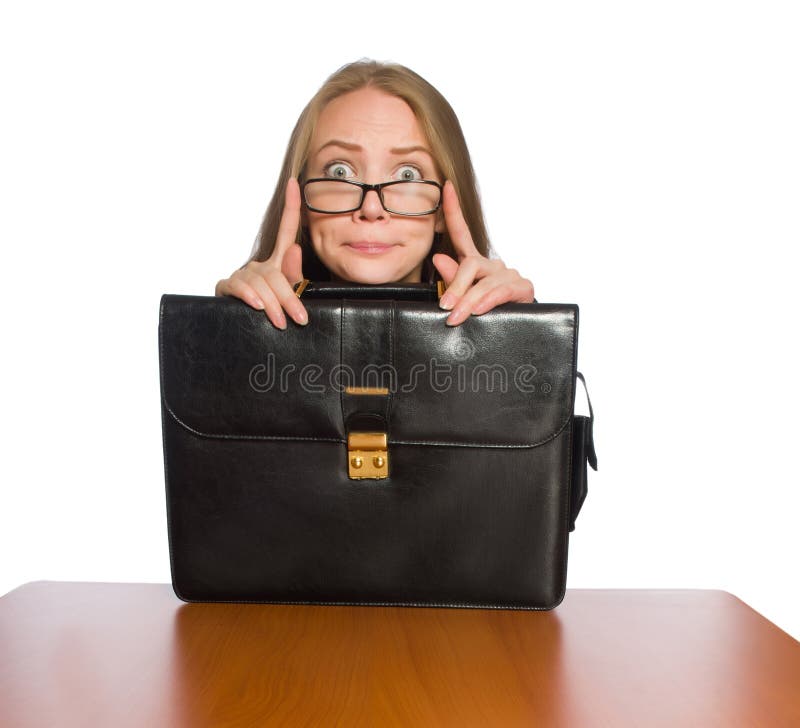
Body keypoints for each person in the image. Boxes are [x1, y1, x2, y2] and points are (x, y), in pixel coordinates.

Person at [215, 59, 534, 329]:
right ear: (299, 205)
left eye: (408, 174)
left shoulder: (511, 324)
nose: (371, 207)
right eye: (339, 171)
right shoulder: (238, 321)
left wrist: (522, 335)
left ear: (442, 210)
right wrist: (233, 330)